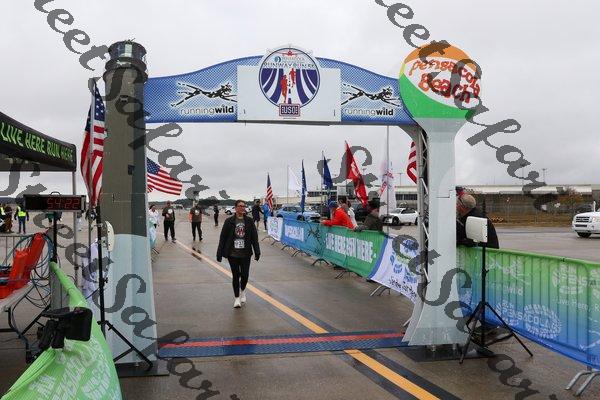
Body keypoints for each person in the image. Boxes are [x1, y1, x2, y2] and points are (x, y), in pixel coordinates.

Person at [216, 200, 260, 309]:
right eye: (240, 206)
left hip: (245, 253)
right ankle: (236, 298)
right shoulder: (229, 221)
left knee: (245, 275)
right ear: (235, 208)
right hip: (233, 254)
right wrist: (219, 253)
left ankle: (243, 290)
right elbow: (223, 238)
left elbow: (254, 238)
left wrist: (257, 251)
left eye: (244, 206)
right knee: (236, 276)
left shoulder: (249, 221)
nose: (242, 208)